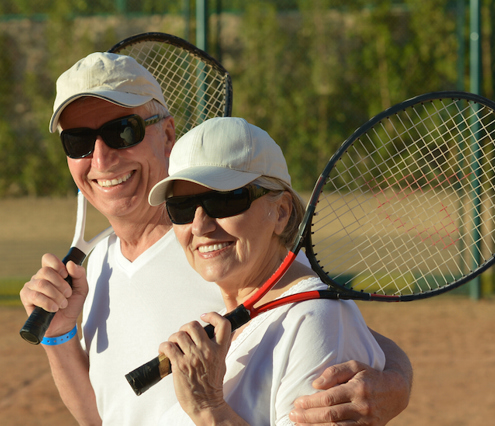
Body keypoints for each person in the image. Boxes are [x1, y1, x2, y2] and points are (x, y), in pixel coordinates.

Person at [20, 51, 412, 426]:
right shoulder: (100, 262)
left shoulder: (221, 254)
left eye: (122, 131)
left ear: (167, 133)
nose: (101, 158)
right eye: (78, 141)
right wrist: (61, 336)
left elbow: (325, 319)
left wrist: (395, 384)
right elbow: (102, 416)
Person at [147, 116, 385, 425]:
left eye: (224, 200)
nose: (199, 225)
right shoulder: (235, 313)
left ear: (281, 212)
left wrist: (208, 408)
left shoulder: (316, 320)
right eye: (181, 206)